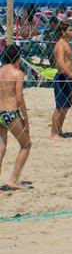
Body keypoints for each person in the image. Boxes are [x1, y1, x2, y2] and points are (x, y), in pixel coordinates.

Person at [0, 44, 31, 190]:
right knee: (26, 145)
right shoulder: (17, 74)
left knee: (1, 148)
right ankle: (13, 180)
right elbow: (19, 99)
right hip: (10, 113)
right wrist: (25, 118)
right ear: (17, 58)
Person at [50, 20, 72, 139]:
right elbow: (61, 64)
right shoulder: (60, 45)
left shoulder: (67, 44)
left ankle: (59, 130)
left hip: (68, 77)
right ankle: (53, 133)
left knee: (66, 105)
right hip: (61, 77)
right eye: (70, 30)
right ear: (62, 32)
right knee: (60, 106)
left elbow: (70, 63)